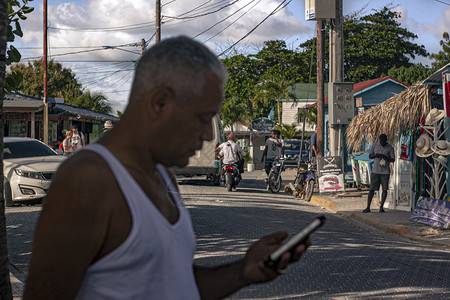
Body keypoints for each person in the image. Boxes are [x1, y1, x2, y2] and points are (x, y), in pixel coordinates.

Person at [24, 36, 311, 300]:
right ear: (160, 102)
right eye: (202, 118)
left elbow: (175, 284)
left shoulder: (161, 175)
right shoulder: (88, 180)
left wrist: (243, 271)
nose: (209, 136)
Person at [363, 134, 395, 213]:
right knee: (372, 189)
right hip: (375, 171)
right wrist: (375, 155)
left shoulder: (390, 148)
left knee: (384, 189)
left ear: (386, 140)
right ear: (379, 140)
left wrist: (385, 157)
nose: (382, 142)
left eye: (384, 141)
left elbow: (392, 159)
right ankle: (368, 207)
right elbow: (370, 156)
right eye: (381, 141)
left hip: (385, 172)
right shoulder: (374, 145)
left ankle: (381, 207)